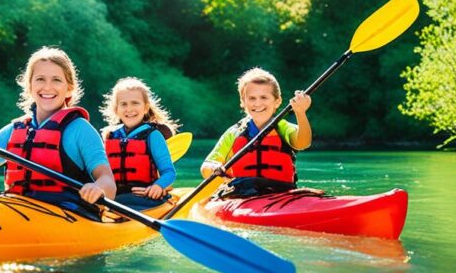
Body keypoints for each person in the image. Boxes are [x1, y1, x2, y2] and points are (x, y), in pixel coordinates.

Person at [0, 46, 116, 216]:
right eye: (40, 79)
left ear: (69, 87)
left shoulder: (80, 129)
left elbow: (108, 180)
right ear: (29, 86)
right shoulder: (15, 129)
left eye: (56, 80)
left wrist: (98, 188)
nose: (47, 87)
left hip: (67, 211)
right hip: (18, 206)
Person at [200, 67, 312, 198]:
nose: (257, 103)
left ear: (277, 101)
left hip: (281, 192)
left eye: (264, 97)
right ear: (243, 102)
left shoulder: (283, 127)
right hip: (242, 194)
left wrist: (301, 113)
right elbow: (206, 166)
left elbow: (303, 143)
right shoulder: (234, 133)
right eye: (252, 98)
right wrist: (214, 167)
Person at [99, 77, 179, 209]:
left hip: (144, 199)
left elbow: (169, 172)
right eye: (123, 104)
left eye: (135, 103)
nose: (129, 109)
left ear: (146, 107)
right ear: (116, 109)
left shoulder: (153, 135)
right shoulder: (109, 135)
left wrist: (158, 186)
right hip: (113, 200)